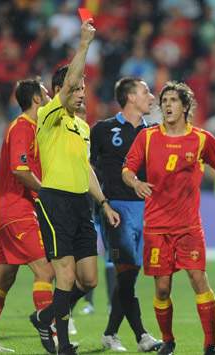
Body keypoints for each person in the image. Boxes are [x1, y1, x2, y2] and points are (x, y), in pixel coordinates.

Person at [122, 81, 215, 355]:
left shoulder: (202, 139)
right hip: (156, 227)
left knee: (198, 280)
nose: (167, 105)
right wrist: (135, 183)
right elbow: (127, 170)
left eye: (173, 101)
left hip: (188, 227)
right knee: (163, 289)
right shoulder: (146, 137)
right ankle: (168, 340)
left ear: (185, 106)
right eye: (164, 100)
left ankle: (210, 344)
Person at [29, 19, 120, 355]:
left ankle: (45, 316)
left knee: (89, 279)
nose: (81, 94)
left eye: (83, 90)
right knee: (65, 277)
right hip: (55, 201)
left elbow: (87, 169)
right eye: (77, 89)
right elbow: (67, 85)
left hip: (82, 202)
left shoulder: (82, 126)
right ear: (60, 91)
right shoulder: (49, 116)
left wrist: (104, 202)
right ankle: (63, 344)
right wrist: (84, 44)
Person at [0, 78, 54, 352]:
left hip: (14, 211)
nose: (51, 97)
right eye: (46, 93)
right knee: (46, 270)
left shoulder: (33, 128)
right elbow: (20, 170)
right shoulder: (22, 127)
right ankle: (52, 336)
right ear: (36, 100)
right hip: (17, 211)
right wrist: (46, 192)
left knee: (4, 278)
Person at [90, 77, 162, 352]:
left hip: (147, 211)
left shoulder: (154, 132)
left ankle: (110, 333)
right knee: (127, 271)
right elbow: (88, 169)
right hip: (116, 209)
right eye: (146, 91)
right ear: (130, 97)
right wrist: (100, 204)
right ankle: (142, 335)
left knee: (129, 276)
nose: (151, 96)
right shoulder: (103, 130)